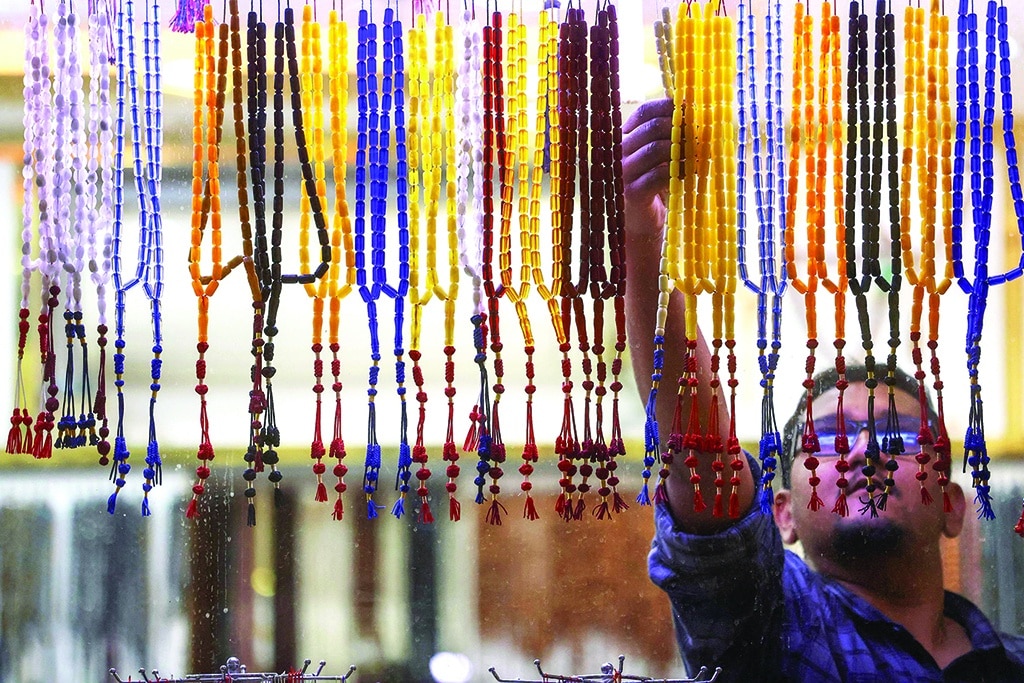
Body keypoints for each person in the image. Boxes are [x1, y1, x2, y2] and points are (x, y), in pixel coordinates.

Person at [621, 97, 1024, 682]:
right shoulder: (773, 626)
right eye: (829, 439)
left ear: (953, 504)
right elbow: (704, 462)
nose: (866, 452)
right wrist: (642, 233)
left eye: (900, 435)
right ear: (780, 515)